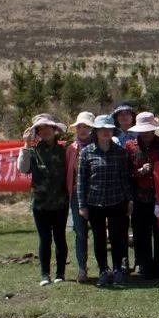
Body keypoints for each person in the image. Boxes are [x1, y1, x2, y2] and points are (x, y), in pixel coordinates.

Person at [77, 115, 133, 288]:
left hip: (117, 200)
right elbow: (81, 180)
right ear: (96, 132)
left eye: (109, 129)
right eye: (102, 129)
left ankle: (117, 270)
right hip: (95, 202)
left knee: (117, 238)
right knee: (99, 239)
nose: (106, 132)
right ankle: (103, 270)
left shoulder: (120, 152)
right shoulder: (87, 152)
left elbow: (125, 178)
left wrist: (129, 199)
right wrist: (82, 205)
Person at [18, 114, 70, 286]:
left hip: (60, 202)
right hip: (40, 204)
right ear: (37, 132)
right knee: (45, 239)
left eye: (48, 127)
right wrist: (25, 145)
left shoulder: (64, 150)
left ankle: (60, 273)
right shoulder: (32, 151)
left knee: (60, 238)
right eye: (41, 128)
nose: (45, 131)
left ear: (54, 130)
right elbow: (23, 168)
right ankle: (45, 274)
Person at [125, 112, 159, 279]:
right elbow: (127, 173)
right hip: (138, 197)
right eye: (144, 130)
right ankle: (144, 265)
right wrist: (139, 172)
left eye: (150, 130)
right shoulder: (130, 146)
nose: (147, 133)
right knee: (141, 233)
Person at [65, 111, 95, 282]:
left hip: (96, 194)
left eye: (86, 127)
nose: (82, 130)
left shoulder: (99, 145)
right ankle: (82, 269)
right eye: (80, 127)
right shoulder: (70, 149)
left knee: (99, 232)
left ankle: (105, 267)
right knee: (80, 232)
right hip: (76, 195)